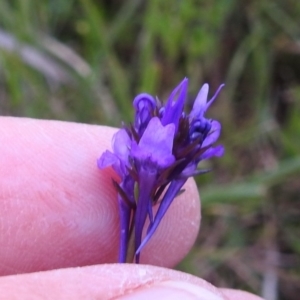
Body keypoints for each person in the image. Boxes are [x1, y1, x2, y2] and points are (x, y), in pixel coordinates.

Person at [0, 117, 264, 299]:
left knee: (136, 246)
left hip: (151, 174)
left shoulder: (165, 163)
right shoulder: (137, 163)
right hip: (138, 177)